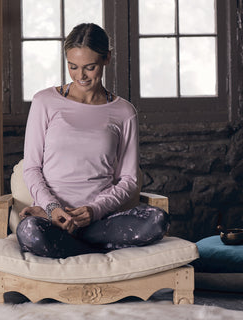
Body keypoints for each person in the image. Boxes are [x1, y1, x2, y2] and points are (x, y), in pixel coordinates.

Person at [16, 23, 170, 259]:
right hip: (54, 217)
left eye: (90, 67)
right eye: (73, 67)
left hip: (100, 220)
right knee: (29, 231)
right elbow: (32, 167)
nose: (81, 76)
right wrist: (50, 208)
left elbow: (128, 179)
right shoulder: (44, 102)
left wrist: (94, 210)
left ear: (106, 58)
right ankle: (94, 247)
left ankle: (76, 245)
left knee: (157, 220)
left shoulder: (124, 112)